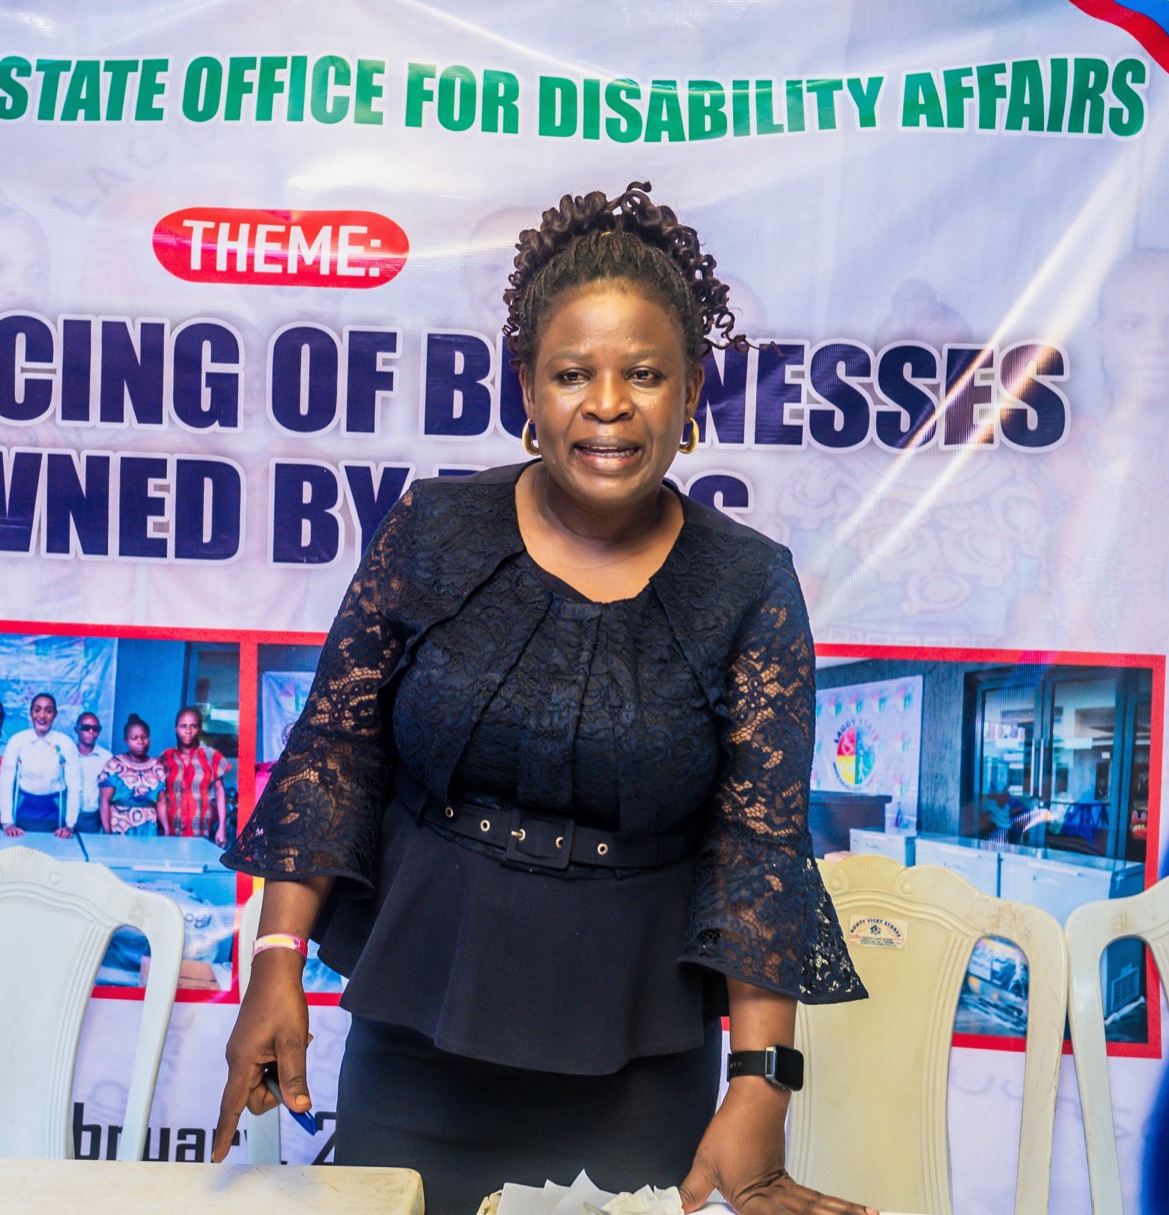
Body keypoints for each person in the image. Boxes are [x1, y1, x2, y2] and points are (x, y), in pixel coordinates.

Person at [214, 185, 872, 1215]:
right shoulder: (434, 529)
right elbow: (335, 752)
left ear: (692, 389)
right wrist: (275, 959)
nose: (608, 404)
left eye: (644, 373)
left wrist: (760, 1086)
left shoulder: (749, 586)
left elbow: (759, 848)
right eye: (571, 374)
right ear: (526, 385)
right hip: (417, 1031)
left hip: (636, 1063)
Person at [0, 692, 76, 838]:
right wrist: (7, 822)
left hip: (55, 809)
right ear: (31, 713)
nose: (42, 715)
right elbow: (6, 783)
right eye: (37, 710)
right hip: (24, 807)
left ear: (55, 715)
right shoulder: (17, 741)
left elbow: (74, 786)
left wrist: (70, 825)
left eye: (48, 711)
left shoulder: (65, 743)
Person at [161, 707, 230, 845]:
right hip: (171, 831)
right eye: (183, 726)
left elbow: (220, 793)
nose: (188, 731)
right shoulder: (165, 758)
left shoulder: (211, 757)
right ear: (176, 728)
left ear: (199, 729)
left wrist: (222, 827)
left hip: (202, 830)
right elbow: (159, 796)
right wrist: (163, 829)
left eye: (193, 726)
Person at [98, 715, 166, 836]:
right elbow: (104, 801)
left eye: (144, 737)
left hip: (148, 830)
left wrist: (166, 829)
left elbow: (161, 802)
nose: (140, 742)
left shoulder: (157, 767)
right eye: (134, 738)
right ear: (126, 740)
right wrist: (107, 833)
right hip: (119, 827)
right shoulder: (114, 765)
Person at [69, 711, 112, 834]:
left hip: (94, 817)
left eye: (96, 729)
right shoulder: (68, 755)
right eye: (86, 728)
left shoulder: (106, 758)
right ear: (77, 729)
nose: (91, 732)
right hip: (67, 814)